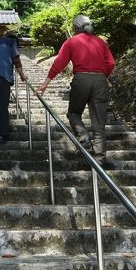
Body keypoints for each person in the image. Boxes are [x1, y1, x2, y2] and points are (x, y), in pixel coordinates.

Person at [37, 15, 115, 166]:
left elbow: (60, 62)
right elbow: (111, 63)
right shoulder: (100, 41)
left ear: (76, 28)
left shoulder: (71, 42)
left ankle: (84, 136)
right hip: (100, 80)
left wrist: (46, 82)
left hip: (81, 80)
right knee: (99, 123)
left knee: (73, 113)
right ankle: (99, 160)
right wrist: (102, 75)